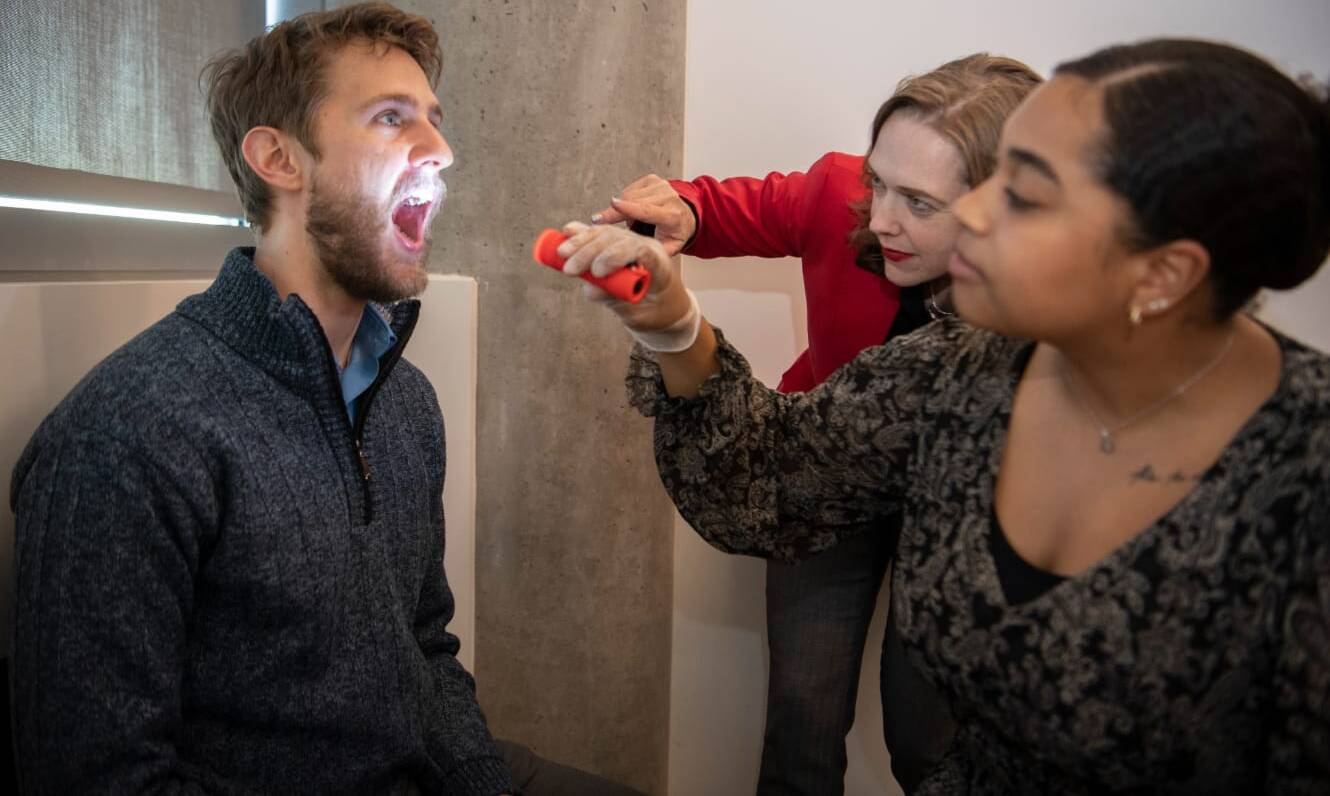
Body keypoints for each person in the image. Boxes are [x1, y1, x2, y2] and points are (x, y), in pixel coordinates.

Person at [554, 38, 1330, 793]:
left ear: (1163, 273)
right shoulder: (954, 370)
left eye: (1021, 192)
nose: (973, 215)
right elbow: (766, 478)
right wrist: (671, 325)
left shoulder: (1308, 471)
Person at [7, 4, 639, 795]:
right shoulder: (128, 434)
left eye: (435, 123)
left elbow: (425, 648)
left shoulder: (405, 402)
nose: (441, 151)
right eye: (390, 119)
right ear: (279, 157)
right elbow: (95, 777)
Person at [591, 55, 1040, 792]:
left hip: (968, 514)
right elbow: (745, 207)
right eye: (878, 182)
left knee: (928, 737)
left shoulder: (1046, 334)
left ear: (1011, 210)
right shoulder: (845, 193)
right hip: (823, 476)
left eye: (921, 203)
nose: (881, 218)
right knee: (802, 715)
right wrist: (686, 209)